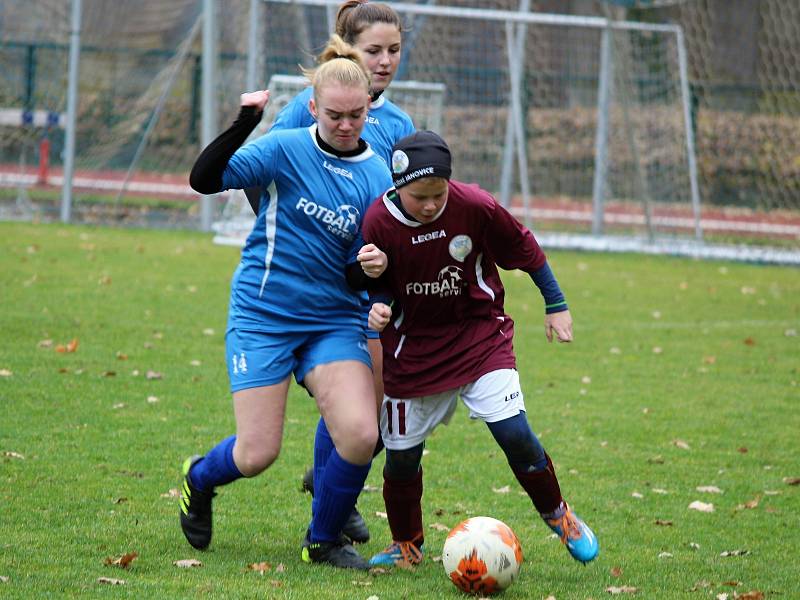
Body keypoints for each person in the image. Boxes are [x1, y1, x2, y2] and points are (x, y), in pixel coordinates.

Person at [178, 35, 393, 571]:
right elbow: (204, 180)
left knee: (363, 433)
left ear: (369, 108)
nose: (346, 125)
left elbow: (356, 265)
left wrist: (371, 267)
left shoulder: (378, 176)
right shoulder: (284, 147)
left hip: (332, 320)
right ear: (313, 107)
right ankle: (198, 479)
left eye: (357, 115)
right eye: (335, 115)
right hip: (264, 315)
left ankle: (322, 541)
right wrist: (244, 124)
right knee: (257, 455)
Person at [358, 131, 600, 567]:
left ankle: (558, 514)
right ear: (397, 187)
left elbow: (525, 247)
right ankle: (407, 544)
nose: (431, 204)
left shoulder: (475, 206)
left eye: (438, 193)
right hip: (412, 353)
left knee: (514, 433)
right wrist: (379, 306)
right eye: (419, 197)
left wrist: (556, 304)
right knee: (401, 460)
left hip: (479, 336)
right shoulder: (378, 220)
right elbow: (379, 283)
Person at [260, 0, 414, 546]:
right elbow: (262, 174)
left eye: (395, 50)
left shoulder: (397, 124)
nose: (386, 60)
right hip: (307, 290)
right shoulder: (308, 109)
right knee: (357, 411)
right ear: (348, 47)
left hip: (369, 284)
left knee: (381, 406)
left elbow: (402, 205)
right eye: (374, 50)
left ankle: (328, 485)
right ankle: (332, 509)